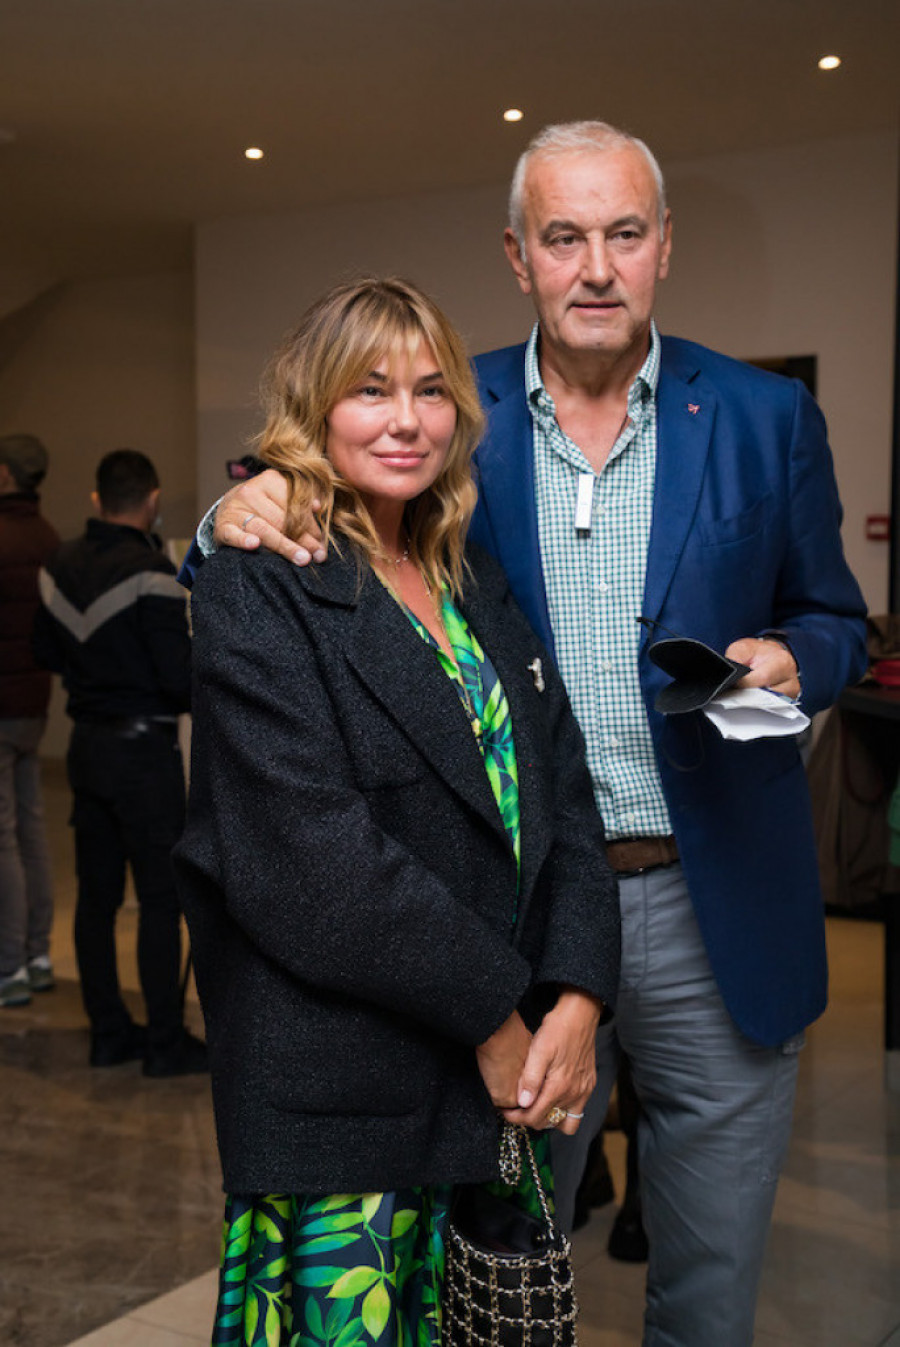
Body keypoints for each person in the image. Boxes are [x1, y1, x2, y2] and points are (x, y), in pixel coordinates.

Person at [193, 122, 869, 1346]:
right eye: (565, 237)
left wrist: (796, 661)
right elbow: (316, 491)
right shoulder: (460, 409)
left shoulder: (765, 415)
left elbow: (834, 616)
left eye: (625, 234)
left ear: (665, 245)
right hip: (510, 919)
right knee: (490, 1269)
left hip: (715, 902)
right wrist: (226, 513)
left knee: (711, 1286)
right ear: (519, 256)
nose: (596, 267)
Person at [173, 276, 620, 1346]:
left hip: (491, 1091)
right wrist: (499, 1019)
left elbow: (562, 796)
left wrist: (577, 996)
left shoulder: (467, 575)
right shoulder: (259, 583)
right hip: (346, 1101)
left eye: (431, 391)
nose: (407, 419)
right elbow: (312, 861)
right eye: (371, 390)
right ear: (316, 406)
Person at [33, 449, 207, 1076]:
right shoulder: (153, 574)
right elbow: (177, 680)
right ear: (152, 500)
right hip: (144, 755)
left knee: (95, 899)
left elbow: (44, 652)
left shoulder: (58, 564)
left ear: (96, 499)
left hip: (86, 748)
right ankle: (164, 1043)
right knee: (160, 900)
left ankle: (108, 1034)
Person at [0, 434, 59, 1007]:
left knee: (4, 836)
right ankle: (39, 954)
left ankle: (10, 965)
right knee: (32, 827)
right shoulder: (47, 536)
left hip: (2, 704)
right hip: (34, 701)